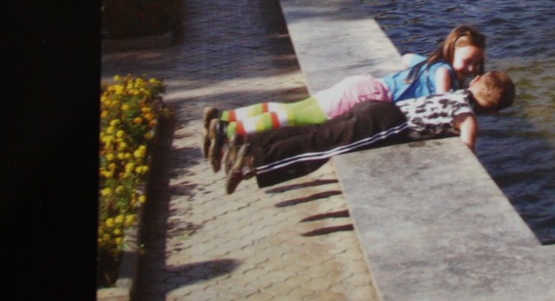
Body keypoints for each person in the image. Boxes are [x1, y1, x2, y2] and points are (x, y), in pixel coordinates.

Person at [202, 24, 487, 167]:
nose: (472, 68)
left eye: (478, 63)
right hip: (365, 99)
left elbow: (406, 57)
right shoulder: (444, 74)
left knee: (292, 109)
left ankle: (224, 117)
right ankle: (229, 132)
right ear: (451, 52)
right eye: (467, 61)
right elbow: (442, 103)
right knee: (293, 117)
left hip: (360, 85)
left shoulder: (431, 63)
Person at [222, 72, 516, 194]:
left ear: (475, 81)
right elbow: (467, 143)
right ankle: (253, 162)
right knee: (320, 146)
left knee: (317, 130)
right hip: (386, 124)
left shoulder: (454, 94)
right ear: (494, 112)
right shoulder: (467, 116)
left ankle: (248, 142)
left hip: (377, 107)